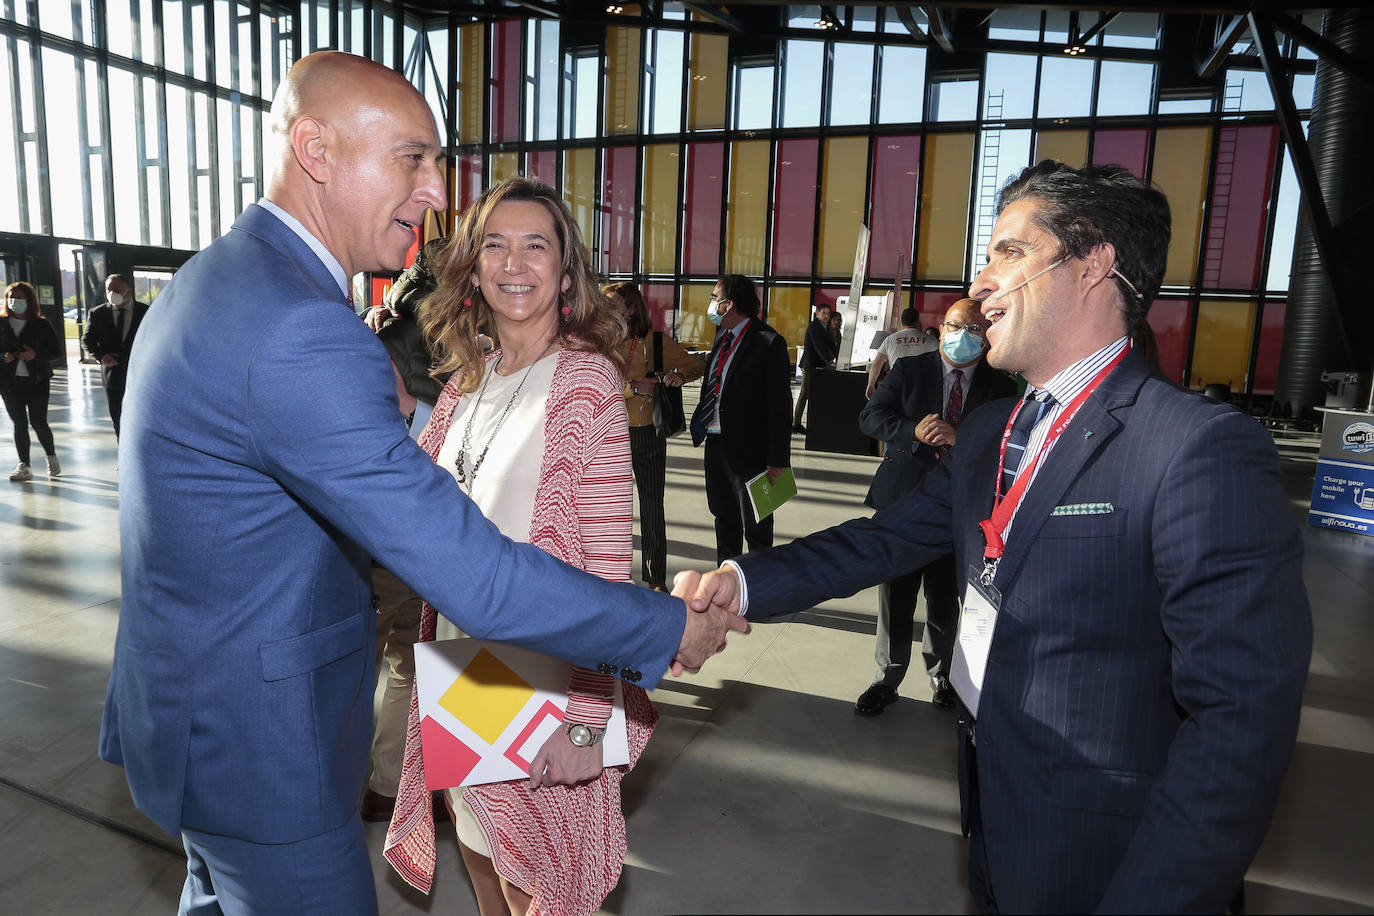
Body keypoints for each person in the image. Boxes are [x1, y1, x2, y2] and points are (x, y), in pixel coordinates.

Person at [97, 51, 743, 916]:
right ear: (317, 150)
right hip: (264, 750)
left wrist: (590, 714)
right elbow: (473, 569)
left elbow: (572, 539)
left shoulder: (211, 282)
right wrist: (669, 628)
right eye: (413, 157)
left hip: (202, 720)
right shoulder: (305, 331)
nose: (437, 191)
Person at [680, 161, 1312, 913]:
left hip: (1106, 852)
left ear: (1094, 263)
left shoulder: (1195, 447)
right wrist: (742, 583)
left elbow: (1239, 726)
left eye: (1008, 252)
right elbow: (885, 540)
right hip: (992, 805)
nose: (980, 282)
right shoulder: (989, 431)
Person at [381, 178, 656, 915]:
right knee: (480, 852)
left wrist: (587, 722)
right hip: (466, 663)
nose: (514, 261)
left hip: (548, 671)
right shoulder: (471, 379)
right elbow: (426, 493)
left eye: (536, 244)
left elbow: (606, 567)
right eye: (495, 244)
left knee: (540, 883)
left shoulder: (586, 383)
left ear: (566, 273)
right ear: (472, 269)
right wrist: (397, 415)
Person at [853, 299, 1016, 716]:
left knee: (944, 599)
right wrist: (913, 431)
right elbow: (871, 417)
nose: (965, 337)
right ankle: (886, 678)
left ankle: (941, 675)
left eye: (977, 330)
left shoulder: (1000, 385)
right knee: (896, 595)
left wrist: (965, 438)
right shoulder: (910, 369)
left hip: (958, 509)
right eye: (957, 326)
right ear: (941, 330)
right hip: (903, 502)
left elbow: (1007, 442)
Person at [359, 237, 452, 826]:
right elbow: (439, 421)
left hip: (370, 523)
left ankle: (376, 783)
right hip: (420, 521)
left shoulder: (382, 321)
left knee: (395, 656)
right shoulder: (442, 329)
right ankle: (388, 785)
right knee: (414, 658)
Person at [689, 274, 792, 566]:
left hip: (754, 452)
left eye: (714, 298)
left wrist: (778, 459)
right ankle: (727, 586)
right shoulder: (722, 337)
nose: (711, 304)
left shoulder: (768, 342)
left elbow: (780, 407)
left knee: (757, 526)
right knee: (724, 519)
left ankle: (760, 592)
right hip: (716, 442)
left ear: (728, 303)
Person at [609, 280, 704, 591]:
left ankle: (655, 579)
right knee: (610, 510)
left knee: (652, 506)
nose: (604, 310)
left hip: (649, 433)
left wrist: (677, 375)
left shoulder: (658, 342)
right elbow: (591, 385)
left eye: (612, 304)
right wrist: (631, 386)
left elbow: (696, 364)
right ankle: (610, 576)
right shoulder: (599, 342)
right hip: (610, 435)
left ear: (631, 308)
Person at [2, 281, 62, 481]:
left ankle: (51, 456)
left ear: (29, 300)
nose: (15, 301)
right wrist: (5, 357)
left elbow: (55, 352)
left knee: (38, 421)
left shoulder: (41, 324)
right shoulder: (1, 324)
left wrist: (35, 354)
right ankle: (24, 464)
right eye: (12, 297)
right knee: (19, 423)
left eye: (19, 297)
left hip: (37, 380)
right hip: (10, 382)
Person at [80, 273, 148, 438]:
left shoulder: (146, 312)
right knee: (118, 419)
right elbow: (86, 340)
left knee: (141, 418)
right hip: (113, 376)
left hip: (140, 376)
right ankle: (123, 458)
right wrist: (101, 356)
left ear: (128, 291)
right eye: (108, 289)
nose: (112, 293)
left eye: (116, 289)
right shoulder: (98, 313)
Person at [865, 307, 938, 398]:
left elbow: (876, 364)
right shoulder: (932, 340)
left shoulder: (890, 340)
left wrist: (871, 384)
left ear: (902, 322)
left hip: (897, 386)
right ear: (918, 321)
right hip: (923, 387)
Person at [792, 302, 836, 433]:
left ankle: (810, 423)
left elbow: (830, 345)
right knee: (804, 394)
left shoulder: (824, 327)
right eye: (824, 313)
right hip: (810, 365)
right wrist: (829, 361)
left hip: (818, 366)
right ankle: (796, 424)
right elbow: (818, 347)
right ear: (817, 313)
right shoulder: (814, 326)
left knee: (813, 394)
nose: (826, 316)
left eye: (828, 314)